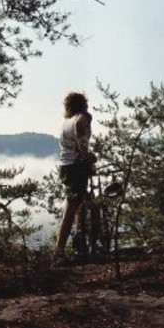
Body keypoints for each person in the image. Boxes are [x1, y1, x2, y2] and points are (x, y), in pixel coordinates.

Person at [54, 92, 96, 262]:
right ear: (83, 104)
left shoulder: (65, 122)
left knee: (74, 204)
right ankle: (59, 253)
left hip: (65, 166)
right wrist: (89, 155)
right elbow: (81, 143)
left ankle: (79, 243)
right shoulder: (80, 119)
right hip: (76, 167)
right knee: (71, 210)